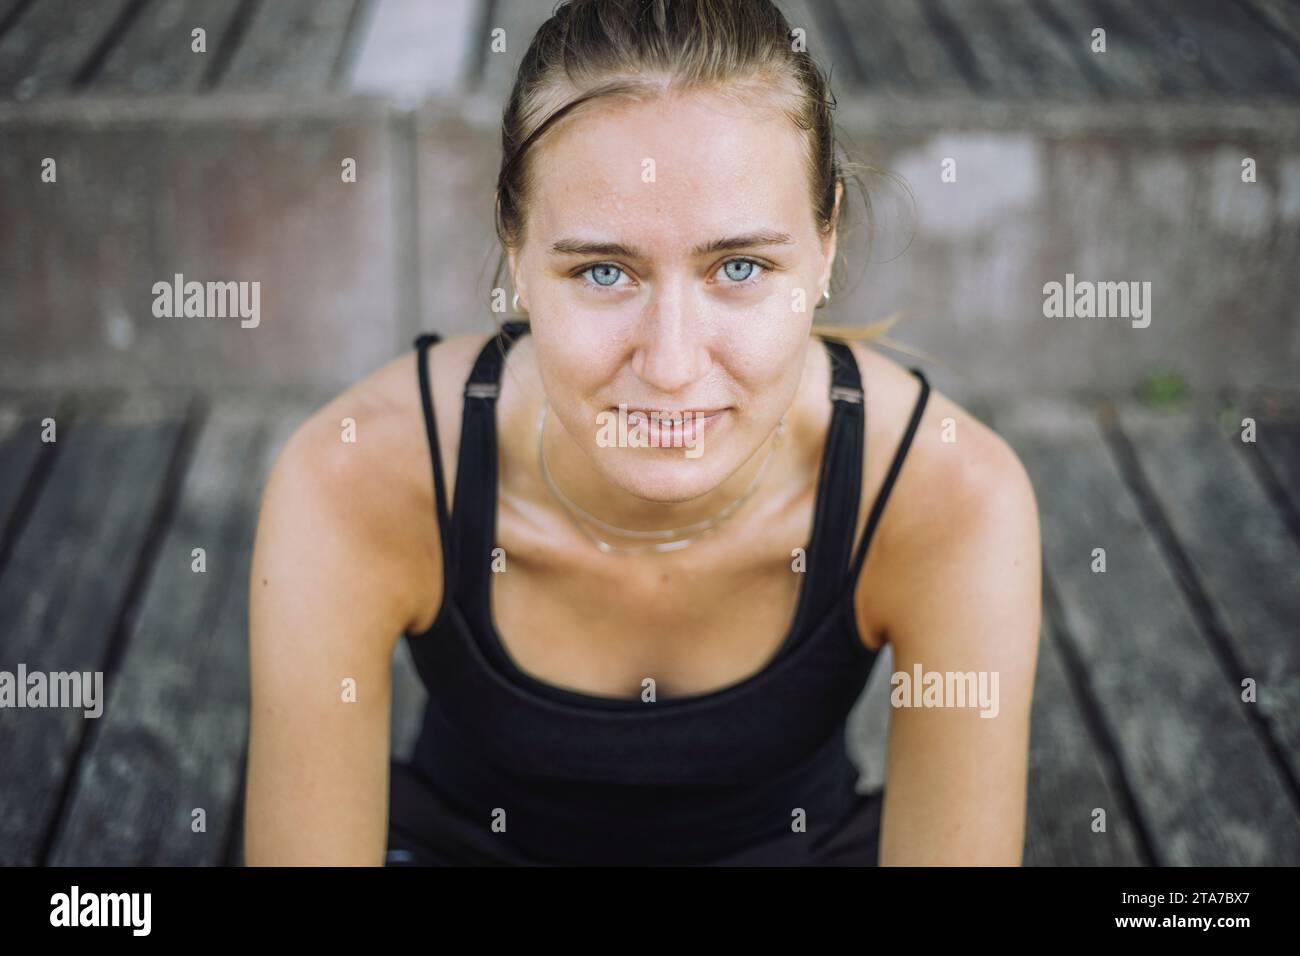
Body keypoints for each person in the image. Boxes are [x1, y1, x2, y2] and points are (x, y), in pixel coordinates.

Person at [243, 0, 1041, 866]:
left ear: (824, 245)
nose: (669, 364)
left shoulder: (948, 495)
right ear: (516, 252)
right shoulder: (359, 476)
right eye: (603, 271)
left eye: (739, 266)